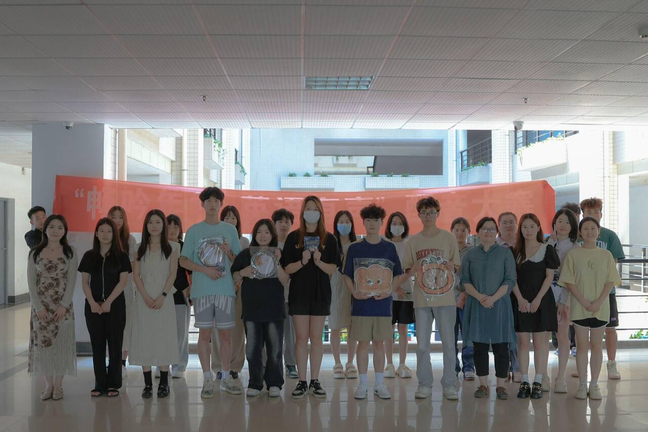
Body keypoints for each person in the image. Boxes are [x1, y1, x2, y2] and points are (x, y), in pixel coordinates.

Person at [179, 187, 242, 398]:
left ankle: (226, 377)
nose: (213, 204)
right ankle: (207, 378)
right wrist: (204, 270)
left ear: (221, 204)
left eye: (216, 200)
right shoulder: (194, 231)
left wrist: (229, 252)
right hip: (202, 290)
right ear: (202, 204)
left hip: (225, 290)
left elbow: (239, 261)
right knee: (204, 335)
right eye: (208, 200)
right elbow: (183, 260)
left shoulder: (230, 230)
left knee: (226, 335)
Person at [344, 204, 407, 400]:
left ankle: (379, 384)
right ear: (363, 222)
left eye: (376, 220)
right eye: (368, 220)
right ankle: (362, 384)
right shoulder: (355, 248)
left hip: (383, 306)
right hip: (361, 306)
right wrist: (354, 293)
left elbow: (397, 275)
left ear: (381, 222)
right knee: (362, 344)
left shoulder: (389, 247)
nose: (372, 223)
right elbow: (346, 275)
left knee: (379, 344)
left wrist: (389, 290)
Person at [401, 197, 461, 401]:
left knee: (449, 344)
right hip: (422, 299)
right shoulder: (413, 241)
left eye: (432, 212)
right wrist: (413, 269)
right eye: (424, 213)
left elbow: (456, 266)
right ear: (419, 215)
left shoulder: (448, 238)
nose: (428, 216)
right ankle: (424, 383)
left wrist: (453, 267)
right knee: (422, 346)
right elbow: (407, 269)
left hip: (446, 298)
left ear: (438, 214)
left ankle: (450, 383)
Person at [281, 196, 341, 399]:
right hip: (299, 294)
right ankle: (302, 381)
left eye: (315, 209)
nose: (311, 212)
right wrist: (303, 261)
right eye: (308, 208)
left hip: (320, 294)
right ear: (302, 212)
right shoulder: (293, 237)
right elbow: (287, 268)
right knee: (300, 338)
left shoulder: (329, 239)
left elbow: (333, 268)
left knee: (316, 337)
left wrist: (318, 262)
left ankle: (315, 380)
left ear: (321, 213)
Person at [558, 217, 622, 400]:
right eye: (585, 228)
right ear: (580, 232)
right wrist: (584, 301)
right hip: (579, 307)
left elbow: (611, 281)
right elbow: (569, 281)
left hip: (600, 308)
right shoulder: (573, 254)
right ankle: (582, 385)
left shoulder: (606, 255)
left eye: (593, 228)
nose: (589, 232)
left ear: (598, 231)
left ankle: (594, 385)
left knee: (596, 345)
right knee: (581, 345)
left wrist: (598, 302)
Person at [232, 219, 289, 398]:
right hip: (252, 309)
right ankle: (255, 383)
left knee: (275, 349)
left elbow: (285, 279)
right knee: (252, 349)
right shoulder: (246, 254)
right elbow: (234, 275)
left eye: (266, 232)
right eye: (259, 232)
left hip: (274, 309)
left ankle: (274, 383)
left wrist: (277, 262)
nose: (263, 235)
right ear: (254, 234)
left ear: (272, 235)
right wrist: (243, 273)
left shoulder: (279, 254)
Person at [461, 217, 517, 400]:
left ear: (496, 232)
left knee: (501, 347)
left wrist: (492, 298)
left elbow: (510, 280)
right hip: (477, 305)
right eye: (484, 229)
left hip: (500, 305)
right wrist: (480, 297)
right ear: (478, 232)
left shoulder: (505, 253)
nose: (488, 232)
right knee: (480, 347)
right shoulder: (470, 254)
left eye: (492, 229)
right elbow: (465, 280)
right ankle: (483, 384)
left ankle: (501, 386)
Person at [130, 210, 180, 399]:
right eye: (150, 222)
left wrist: (163, 295)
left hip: (164, 299)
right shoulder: (138, 248)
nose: (154, 226)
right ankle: (148, 384)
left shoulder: (173, 247)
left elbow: (172, 274)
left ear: (163, 225)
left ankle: (164, 383)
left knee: (163, 337)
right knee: (145, 337)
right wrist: (144, 296)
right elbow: (136, 275)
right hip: (143, 299)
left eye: (158, 222)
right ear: (146, 225)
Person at [79, 218, 131, 398]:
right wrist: (93, 302)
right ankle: (99, 383)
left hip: (115, 307)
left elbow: (123, 282)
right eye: (102, 231)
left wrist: (108, 302)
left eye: (109, 231)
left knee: (115, 345)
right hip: (93, 308)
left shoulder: (122, 256)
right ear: (96, 233)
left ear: (114, 234)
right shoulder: (89, 256)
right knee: (98, 346)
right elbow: (85, 283)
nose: (105, 234)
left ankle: (114, 384)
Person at [27, 215, 78, 401]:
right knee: (44, 347)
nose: (56, 231)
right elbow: (31, 282)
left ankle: (58, 386)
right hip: (41, 309)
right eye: (52, 227)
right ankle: (48, 385)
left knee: (62, 345)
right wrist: (38, 306)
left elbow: (71, 281)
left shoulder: (70, 252)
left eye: (60, 227)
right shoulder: (35, 252)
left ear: (65, 231)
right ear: (45, 229)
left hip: (63, 308)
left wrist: (64, 305)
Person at [511, 214, 559, 399]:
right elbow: (511, 278)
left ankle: (538, 381)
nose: (528, 230)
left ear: (538, 228)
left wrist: (538, 299)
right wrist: (520, 299)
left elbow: (549, 277)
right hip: (520, 300)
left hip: (542, 300)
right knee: (523, 343)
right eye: (525, 227)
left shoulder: (547, 249)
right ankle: (524, 381)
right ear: (520, 229)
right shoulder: (514, 251)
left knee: (540, 343)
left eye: (532, 226)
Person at [579, 198, 625, 381]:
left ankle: (611, 363)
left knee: (610, 329)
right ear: (583, 215)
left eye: (595, 212)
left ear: (601, 214)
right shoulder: (579, 236)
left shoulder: (610, 236)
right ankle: (583, 366)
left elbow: (612, 265)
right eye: (588, 212)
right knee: (583, 332)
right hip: (583, 294)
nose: (592, 215)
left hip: (606, 294)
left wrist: (602, 290)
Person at [211, 205, 248, 380]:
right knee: (217, 327)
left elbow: (244, 265)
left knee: (237, 328)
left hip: (238, 288)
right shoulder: (214, 239)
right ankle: (219, 365)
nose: (230, 221)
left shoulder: (244, 241)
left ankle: (234, 366)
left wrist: (238, 283)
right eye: (227, 217)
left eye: (233, 217)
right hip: (218, 287)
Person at [546, 209, 580, 393]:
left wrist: (564, 300)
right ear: (554, 223)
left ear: (572, 225)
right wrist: (550, 243)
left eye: (567, 222)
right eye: (560, 221)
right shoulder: (546, 242)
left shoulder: (575, 247)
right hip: (545, 295)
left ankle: (560, 377)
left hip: (564, 297)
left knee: (562, 336)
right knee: (542, 337)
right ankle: (542, 376)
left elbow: (572, 277)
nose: (563, 225)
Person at [108, 205, 138, 379]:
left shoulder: (130, 240)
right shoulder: (104, 237)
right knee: (109, 325)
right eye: (114, 217)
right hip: (107, 288)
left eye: (120, 217)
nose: (117, 221)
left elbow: (133, 266)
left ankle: (122, 362)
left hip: (126, 288)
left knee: (125, 325)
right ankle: (111, 361)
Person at [384, 211, 415, 379]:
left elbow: (411, 269)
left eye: (400, 223)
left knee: (403, 328)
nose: (397, 227)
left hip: (407, 294)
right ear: (389, 226)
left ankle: (402, 364)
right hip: (388, 294)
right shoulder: (384, 244)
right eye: (394, 223)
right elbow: (383, 271)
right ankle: (389, 363)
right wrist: (395, 288)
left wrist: (401, 287)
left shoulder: (409, 244)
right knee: (388, 329)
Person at [330, 210, 358, 380]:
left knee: (352, 327)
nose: (344, 225)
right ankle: (337, 363)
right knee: (335, 325)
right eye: (341, 221)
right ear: (336, 224)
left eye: (347, 221)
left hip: (353, 287)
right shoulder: (330, 244)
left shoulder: (357, 244)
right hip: (334, 286)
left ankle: (350, 363)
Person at [272, 208, 298, 379]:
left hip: (292, 296)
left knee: (291, 334)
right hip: (272, 297)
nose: (283, 224)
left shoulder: (295, 244)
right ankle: (273, 364)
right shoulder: (269, 245)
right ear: (274, 224)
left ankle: (290, 364)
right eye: (280, 221)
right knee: (273, 334)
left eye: (287, 221)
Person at [497, 211, 521, 383]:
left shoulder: (523, 244)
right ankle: (503, 367)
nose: (508, 225)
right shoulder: (493, 245)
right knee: (501, 332)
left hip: (520, 294)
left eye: (511, 222)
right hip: (500, 294)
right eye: (504, 222)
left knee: (519, 332)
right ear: (498, 226)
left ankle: (518, 367)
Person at [451, 217, 475, 381]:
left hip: (468, 299)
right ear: (451, 231)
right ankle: (453, 366)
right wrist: (455, 296)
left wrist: (464, 294)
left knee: (468, 335)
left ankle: (468, 366)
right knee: (450, 336)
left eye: (463, 230)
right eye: (457, 230)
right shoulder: (446, 251)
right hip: (449, 300)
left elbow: (475, 276)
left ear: (469, 232)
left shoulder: (473, 252)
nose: (460, 233)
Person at [167, 214, 191, 379]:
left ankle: (179, 365)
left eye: (175, 227)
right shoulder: (158, 247)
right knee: (162, 332)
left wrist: (191, 290)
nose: (172, 230)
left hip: (181, 295)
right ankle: (161, 364)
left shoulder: (185, 247)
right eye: (169, 227)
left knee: (181, 334)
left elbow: (191, 271)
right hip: (161, 296)